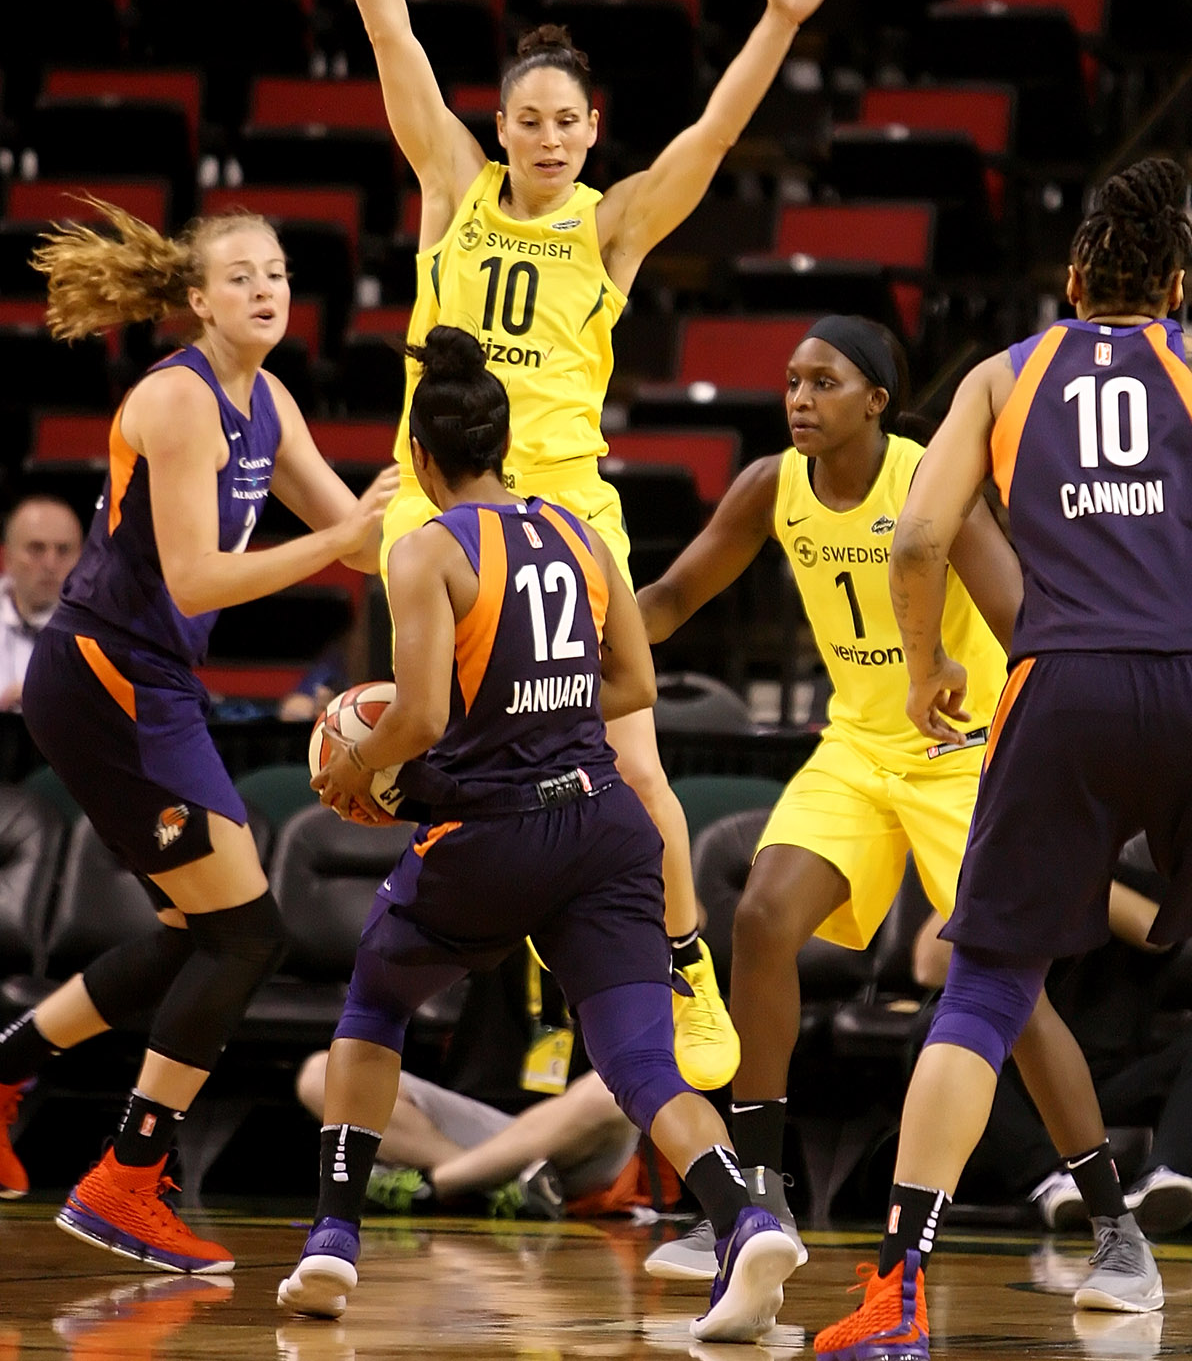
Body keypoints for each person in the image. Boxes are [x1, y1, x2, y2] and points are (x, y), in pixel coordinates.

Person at [291, 0, 859, 1093]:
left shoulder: (609, 224)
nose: (545, 136)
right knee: (457, 747)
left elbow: (716, 134)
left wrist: (776, 24)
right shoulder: (450, 184)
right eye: (527, 118)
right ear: (501, 125)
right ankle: (542, 979)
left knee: (621, 752)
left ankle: (670, 959)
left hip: (556, 514)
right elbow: (390, 39)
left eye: (566, 121)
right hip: (438, 507)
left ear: (593, 131)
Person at [277, 326, 802, 1343]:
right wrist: (542, 708)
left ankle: (333, 1236)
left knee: (375, 998)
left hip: (494, 829)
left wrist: (355, 760)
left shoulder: (428, 547)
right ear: (503, 443)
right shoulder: (577, 531)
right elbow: (636, 685)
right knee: (641, 1059)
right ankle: (743, 1217)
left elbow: (421, 717)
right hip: (604, 825)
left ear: (419, 458)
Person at [636, 316, 1139, 1293]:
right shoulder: (768, 486)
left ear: (873, 398)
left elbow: (1020, 618)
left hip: (965, 752)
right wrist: (579, 639)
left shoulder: (927, 476)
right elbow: (666, 599)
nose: (795, 397)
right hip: (858, 746)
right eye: (788, 380)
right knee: (763, 913)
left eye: (820, 381)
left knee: (1011, 997)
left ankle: (1112, 1224)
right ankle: (757, 1194)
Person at [815, 158, 1192, 1359]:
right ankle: (1116, 1237)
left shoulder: (1001, 373)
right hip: (1190, 676)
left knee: (983, 987)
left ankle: (895, 1288)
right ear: (1176, 283)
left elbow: (921, 534)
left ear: (1073, 275)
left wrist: (928, 662)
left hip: (1059, 681)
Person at [0, 198, 396, 1273]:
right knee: (248, 934)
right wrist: (340, 537)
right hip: (103, 677)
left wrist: (442, 490)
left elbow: (359, 543)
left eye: (275, 271)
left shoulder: (266, 396)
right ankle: (126, 1174)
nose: (267, 287)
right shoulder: (173, 402)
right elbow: (196, 577)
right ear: (194, 299)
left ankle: (6, 1068)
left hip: (153, 681)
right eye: (241, 275)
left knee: (199, 930)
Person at [913, 854, 1192, 1237]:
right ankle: (1052, 1181)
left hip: (1109, 1079)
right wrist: (1008, 875)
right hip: (1017, 1079)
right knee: (932, 1028)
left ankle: (1167, 1175)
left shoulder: (1146, 869)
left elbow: (1156, 932)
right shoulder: (1009, 867)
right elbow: (928, 964)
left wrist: (1060, 874)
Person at [296, 1046, 659, 1220]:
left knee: (613, 1089)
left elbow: (685, 918)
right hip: (464, 1128)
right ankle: (494, 1187)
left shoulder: (614, 923)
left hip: (574, 1145)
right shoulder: (477, 909)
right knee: (322, 1073)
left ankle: (440, 1184)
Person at [0, 496, 83, 710]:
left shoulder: (101, 630)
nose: (50, 564)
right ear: (7, 556)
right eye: (36, 548)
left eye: (63, 550)